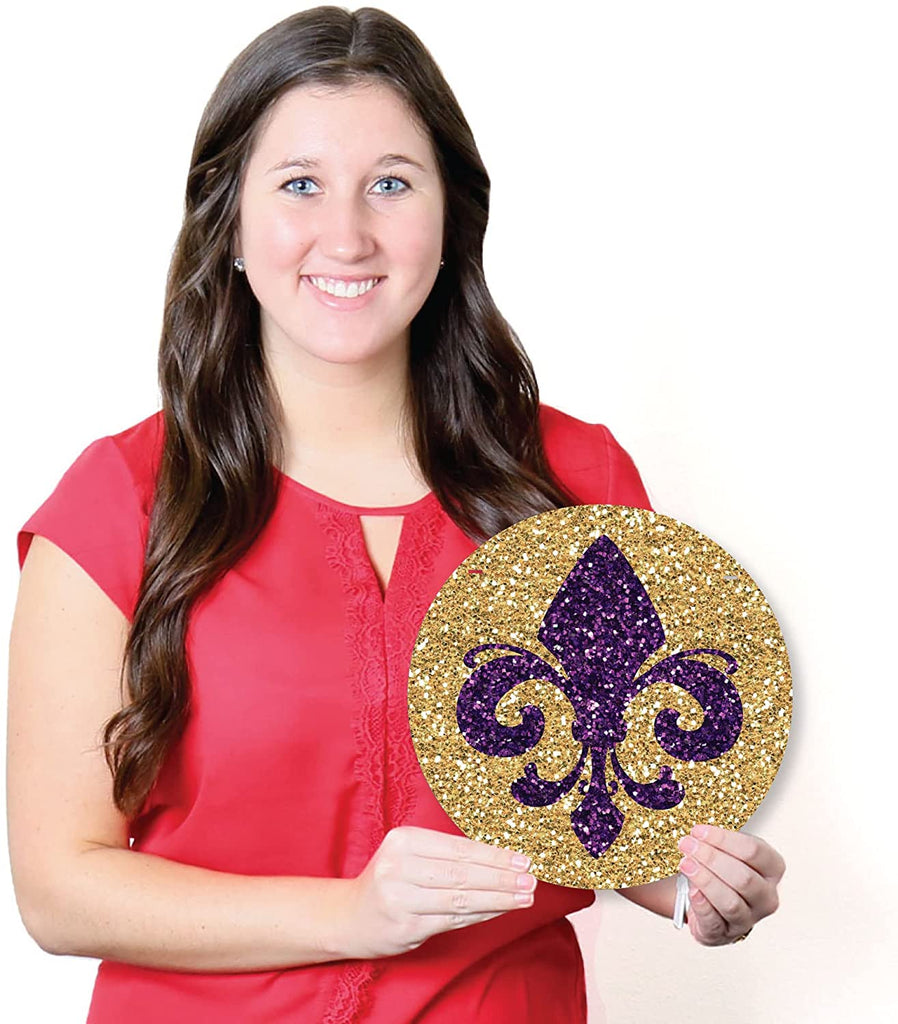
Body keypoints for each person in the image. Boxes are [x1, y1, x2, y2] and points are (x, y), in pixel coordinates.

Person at [7, 6, 785, 1022]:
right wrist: (350, 913)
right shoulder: (122, 500)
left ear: (451, 216)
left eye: (390, 183)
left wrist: (695, 884)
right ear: (228, 221)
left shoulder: (573, 479)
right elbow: (59, 888)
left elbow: (601, 803)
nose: (347, 235)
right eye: (299, 185)